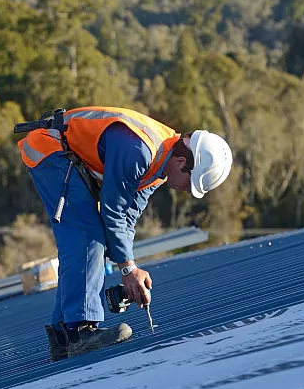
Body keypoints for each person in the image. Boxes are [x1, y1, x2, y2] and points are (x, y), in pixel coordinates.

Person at [17, 106, 233, 361]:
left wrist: (129, 267)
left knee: (90, 237)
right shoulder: (139, 149)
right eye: (190, 182)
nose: (187, 190)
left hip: (65, 154)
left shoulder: (159, 169)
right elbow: (112, 212)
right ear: (182, 162)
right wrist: (128, 269)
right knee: (86, 233)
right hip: (49, 147)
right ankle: (80, 331)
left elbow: (126, 220)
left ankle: (63, 335)